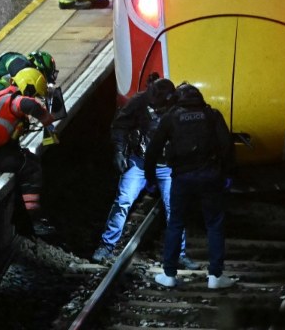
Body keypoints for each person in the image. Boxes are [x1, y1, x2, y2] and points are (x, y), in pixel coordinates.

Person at [91, 75, 200, 270]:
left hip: (167, 165)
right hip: (140, 162)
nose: (153, 105)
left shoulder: (181, 107)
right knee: (123, 201)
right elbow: (120, 125)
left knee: (174, 208)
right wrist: (119, 151)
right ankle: (106, 246)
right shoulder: (139, 101)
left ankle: (179, 254)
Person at [145, 82, 237, 290]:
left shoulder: (171, 117)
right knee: (214, 224)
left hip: (182, 178)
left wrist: (150, 179)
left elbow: (153, 150)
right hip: (210, 177)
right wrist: (228, 174)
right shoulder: (212, 115)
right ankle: (215, 276)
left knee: (176, 224)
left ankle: (169, 274)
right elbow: (227, 146)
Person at [0, 67, 57, 237]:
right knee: (29, 167)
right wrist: (46, 118)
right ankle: (34, 221)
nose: (34, 97)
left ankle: (26, 218)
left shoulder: (2, 96)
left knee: (26, 158)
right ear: (29, 88)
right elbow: (28, 104)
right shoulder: (14, 100)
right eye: (35, 94)